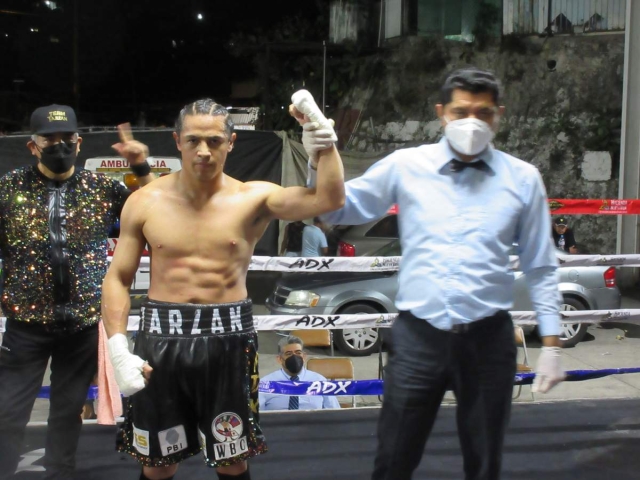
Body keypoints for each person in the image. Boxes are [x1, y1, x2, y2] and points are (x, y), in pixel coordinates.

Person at [310, 68, 565, 480]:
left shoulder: (523, 178)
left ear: (498, 115)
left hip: (489, 340)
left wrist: (551, 344)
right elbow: (336, 208)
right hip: (418, 338)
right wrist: (318, 158)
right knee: (393, 458)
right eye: (461, 111)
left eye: (483, 113)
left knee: (485, 463)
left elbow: (540, 263)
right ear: (441, 112)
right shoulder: (406, 165)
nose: (472, 122)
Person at [101, 98, 343, 480]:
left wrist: (324, 147)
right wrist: (117, 347)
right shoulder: (144, 201)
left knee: (233, 458)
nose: (203, 150)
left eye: (214, 141)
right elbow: (118, 277)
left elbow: (328, 199)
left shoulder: (253, 197)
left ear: (230, 143)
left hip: (229, 339)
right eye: (194, 140)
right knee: (157, 462)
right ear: (177, 140)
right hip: (161, 340)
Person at [0, 104, 154, 480]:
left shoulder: (101, 188)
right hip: (25, 325)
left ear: (79, 143)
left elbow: (158, 210)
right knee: (7, 411)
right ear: (32, 146)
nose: (59, 146)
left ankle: (60, 476)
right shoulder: (7, 189)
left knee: (68, 411)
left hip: (82, 326)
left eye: (66, 139)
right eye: (48, 139)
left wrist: (140, 168)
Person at [259, 335, 341, 411]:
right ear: (279, 359)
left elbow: (334, 412)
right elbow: (257, 416)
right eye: (289, 354)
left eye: (298, 353)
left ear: (304, 356)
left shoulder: (320, 381)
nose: (294, 357)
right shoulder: (265, 383)